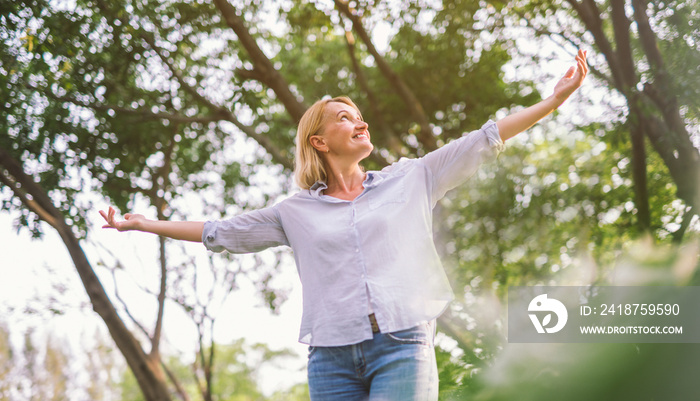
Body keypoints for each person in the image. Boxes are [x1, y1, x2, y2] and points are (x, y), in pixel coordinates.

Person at [101, 50, 588, 400]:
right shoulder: (294, 212)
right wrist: (145, 224)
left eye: (360, 116)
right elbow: (221, 232)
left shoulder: (413, 177)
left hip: (402, 343)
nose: (361, 123)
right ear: (319, 142)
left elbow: (486, 138)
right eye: (344, 118)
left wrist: (553, 101)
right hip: (330, 358)